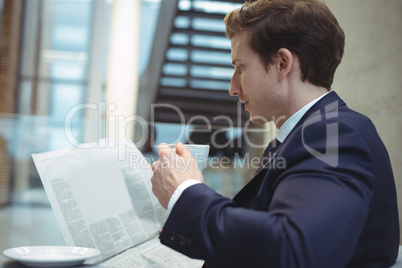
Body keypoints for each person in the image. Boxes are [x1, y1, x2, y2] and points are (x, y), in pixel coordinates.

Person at [150, 0, 400, 267]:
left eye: (240, 67)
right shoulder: (308, 135)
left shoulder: (335, 134)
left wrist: (185, 193)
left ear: (282, 63)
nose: (232, 88)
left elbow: (292, 249)